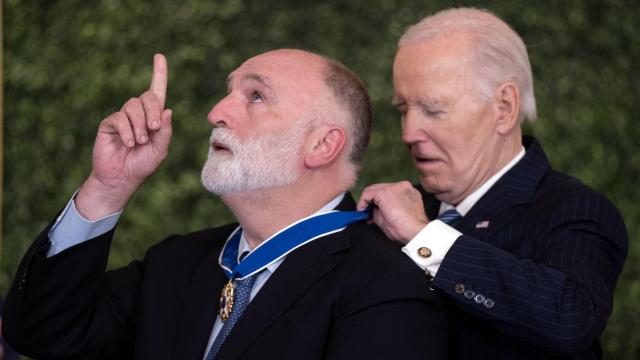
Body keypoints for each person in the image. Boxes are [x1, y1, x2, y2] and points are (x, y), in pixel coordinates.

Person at [2, 49, 447, 359]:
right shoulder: (175, 263)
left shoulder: (389, 281)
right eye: (228, 92)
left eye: (255, 96)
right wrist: (107, 186)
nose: (216, 111)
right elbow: (43, 334)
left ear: (322, 145)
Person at [357, 7, 628, 360]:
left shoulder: (576, 210)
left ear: (504, 107)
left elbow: (569, 317)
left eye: (434, 109)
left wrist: (425, 239)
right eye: (403, 109)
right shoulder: (398, 215)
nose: (408, 132)